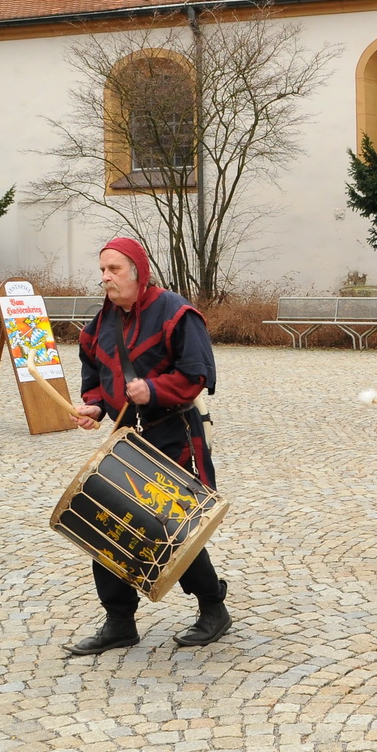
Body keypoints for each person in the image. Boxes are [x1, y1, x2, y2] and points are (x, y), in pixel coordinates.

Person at [66, 237, 231, 654]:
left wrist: (153, 390)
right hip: (126, 438)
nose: (106, 277)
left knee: (171, 527)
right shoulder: (100, 324)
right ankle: (119, 621)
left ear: (139, 272)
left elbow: (198, 374)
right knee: (108, 517)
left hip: (173, 432)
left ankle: (213, 608)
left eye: (115, 269)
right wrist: (94, 407)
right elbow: (95, 377)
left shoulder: (175, 312)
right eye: (102, 270)